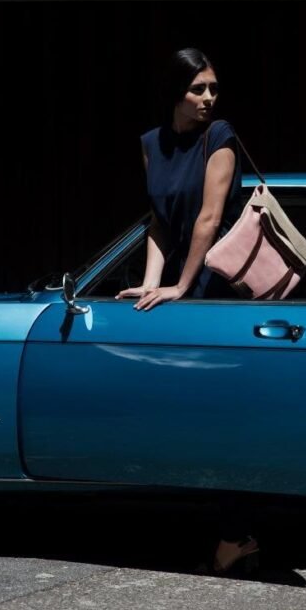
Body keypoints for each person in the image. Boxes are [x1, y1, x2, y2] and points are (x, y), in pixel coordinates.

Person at [116, 47, 259, 575]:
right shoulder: (150, 144)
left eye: (213, 88)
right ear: (175, 92)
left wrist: (181, 284)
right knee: (187, 412)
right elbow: (159, 221)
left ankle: (235, 535)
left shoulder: (219, 137)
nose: (208, 98)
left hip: (217, 291)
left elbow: (209, 219)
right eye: (198, 89)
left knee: (221, 415)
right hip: (179, 288)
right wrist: (152, 283)